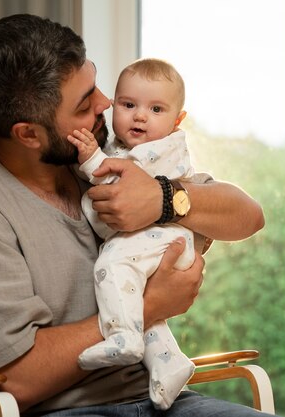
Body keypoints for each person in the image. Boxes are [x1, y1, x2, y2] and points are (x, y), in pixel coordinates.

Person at [0, 13, 268, 417]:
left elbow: (248, 216)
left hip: (162, 400)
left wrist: (164, 198)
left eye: (95, 83)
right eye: (85, 102)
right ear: (29, 134)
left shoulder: (102, 162)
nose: (106, 102)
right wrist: (147, 305)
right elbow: (15, 378)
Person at [67, 58, 210, 410]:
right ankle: (170, 364)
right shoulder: (125, 145)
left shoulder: (160, 149)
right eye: (129, 105)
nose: (140, 116)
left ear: (178, 121)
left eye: (156, 109)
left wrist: (89, 158)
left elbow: (119, 181)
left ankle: (123, 336)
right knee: (143, 308)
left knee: (110, 268)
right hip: (151, 243)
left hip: (160, 241)